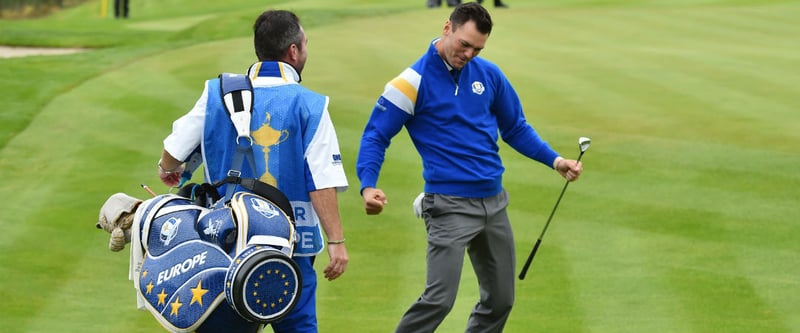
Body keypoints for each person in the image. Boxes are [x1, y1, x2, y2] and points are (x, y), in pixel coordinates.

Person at [356, 3, 583, 332]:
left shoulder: (489, 74)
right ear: (447, 27)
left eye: (477, 48)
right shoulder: (410, 82)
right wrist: (368, 185)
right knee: (439, 300)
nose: (469, 54)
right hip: (448, 206)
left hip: (494, 202)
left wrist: (556, 160)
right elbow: (375, 136)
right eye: (464, 44)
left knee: (501, 300)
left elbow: (515, 127)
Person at [156, 9, 349, 333]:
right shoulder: (311, 104)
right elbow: (321, 180)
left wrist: (168, 170)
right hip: (290, 243)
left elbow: (173, 155)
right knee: (298, 326)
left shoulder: (216, 92)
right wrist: (336, 240)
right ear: (293, 51)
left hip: (225, 239)